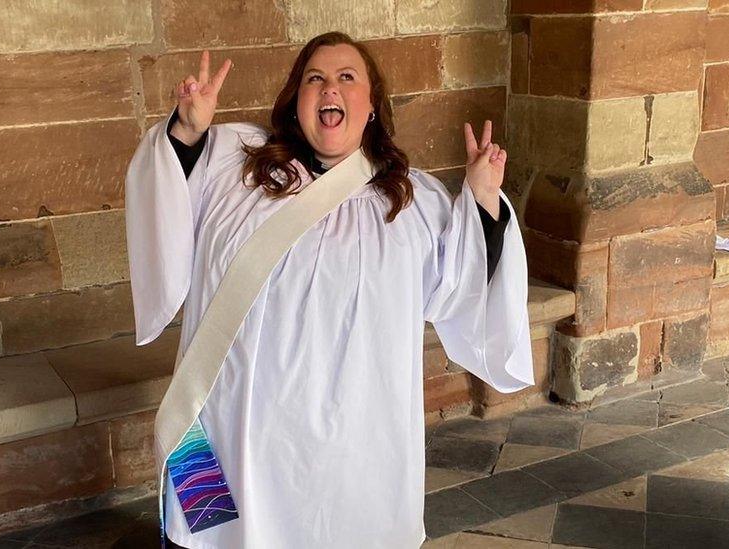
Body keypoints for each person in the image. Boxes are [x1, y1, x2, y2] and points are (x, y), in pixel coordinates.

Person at [124, 31, 533, 549]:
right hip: (227, 429)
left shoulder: (413, 203)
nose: (329, 88)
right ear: (297, 104)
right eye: (315, 78)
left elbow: (468, 288)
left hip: (353, 449)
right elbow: (167, 201)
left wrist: (482, 201)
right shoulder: (234, 166)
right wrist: (187, 130)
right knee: (208, 535)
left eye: (346, 78)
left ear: (369, 108)